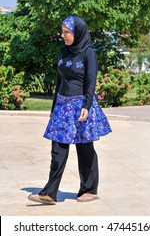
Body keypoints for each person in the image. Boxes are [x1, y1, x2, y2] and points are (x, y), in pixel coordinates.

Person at [28, 14, 112, 205]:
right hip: (62, 106)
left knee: (84, 149)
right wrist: (53, 109)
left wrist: (87, 106)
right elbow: (59, 81)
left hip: (80, 106)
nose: (63, 35)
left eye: (67, 32)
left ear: (78, 33)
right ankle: (49, 193)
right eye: (63, 32)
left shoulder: (88, 53)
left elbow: (91, 82)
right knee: (57, 149)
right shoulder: (62, 52)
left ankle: (89, 189)